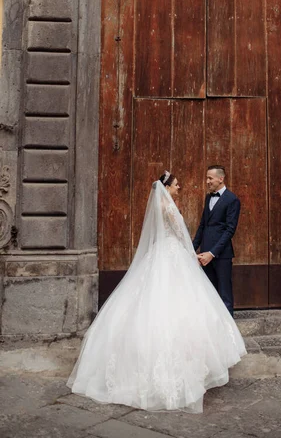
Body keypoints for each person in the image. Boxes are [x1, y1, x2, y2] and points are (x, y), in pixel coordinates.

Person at [67, 171, 246, 414]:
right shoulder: (170, 207)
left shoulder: (158, 206)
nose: (179, 187)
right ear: (167, 188)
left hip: (160, 254)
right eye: (176, 184)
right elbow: (182, 234)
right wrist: (192, 254)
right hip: (173, 256)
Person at [193, 166, 240, 317]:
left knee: (224, 292)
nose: (207, 181)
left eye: (210, 178)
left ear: (221, 179)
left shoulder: (232, 200)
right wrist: (192, 248)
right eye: (207, 178)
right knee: (209, 292)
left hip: (221, 255)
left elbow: (229, 231)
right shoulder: (208, 197)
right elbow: (203, 225)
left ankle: (228, 330)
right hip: (204, 254)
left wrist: (212, 253)